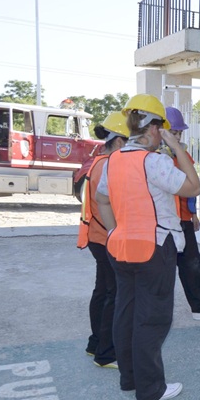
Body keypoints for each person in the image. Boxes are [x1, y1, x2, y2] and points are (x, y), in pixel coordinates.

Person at [95, 94, 200, 400]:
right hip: (155, 249)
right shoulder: (153, 161)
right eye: (162, 128)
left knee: (126, 313)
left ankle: (129, 379)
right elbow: (193, 187)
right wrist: (177, 146)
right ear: (153, 128)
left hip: (121, 247)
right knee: (151, 319)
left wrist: (115, 229)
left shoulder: (113, 161)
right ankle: (151, 388)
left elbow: (102, 199)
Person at [76, 112, 127, 368]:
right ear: (119, 142)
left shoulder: (97, 161)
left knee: (102, 291)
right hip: (108, 238)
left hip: (97, 236)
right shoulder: (110, 165)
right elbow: (112, 207)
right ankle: (106, 354)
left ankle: (95, 343)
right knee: (113, 295)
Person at [165, 106, 200, 322]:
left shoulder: (183, 154)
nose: (177, 136)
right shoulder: (154, 157)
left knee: (192, 263)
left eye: (179, 132)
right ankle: (158, 312)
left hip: (183, 220)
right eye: (173, 132)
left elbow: (192, 188)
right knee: (163, 269)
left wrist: (193, 215)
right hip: (163, 222)